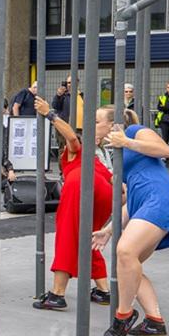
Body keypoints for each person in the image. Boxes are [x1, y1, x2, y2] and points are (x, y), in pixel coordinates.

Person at [93, 106, 169, 336]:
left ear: (112, 124)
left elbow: (165, 149)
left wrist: (126, 141)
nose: (92, 126)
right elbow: (131, 200)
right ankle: (155, 321)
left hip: (160, 199)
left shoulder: (134, 131)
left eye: (96, 121)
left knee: (124, 251)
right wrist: (109, 229)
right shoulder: (117, 152)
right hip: (146, 203)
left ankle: (123, 315)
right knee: (128, 266)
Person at [31, 95, 114, 310]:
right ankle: (104, 290)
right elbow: (116, 183)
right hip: (104, 194)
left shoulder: (77, 152)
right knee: (90, 238)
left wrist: (49, 114)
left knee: (67, 237)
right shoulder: (95, 159)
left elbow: (70, 136)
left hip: (80, 188)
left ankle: (57, 294)